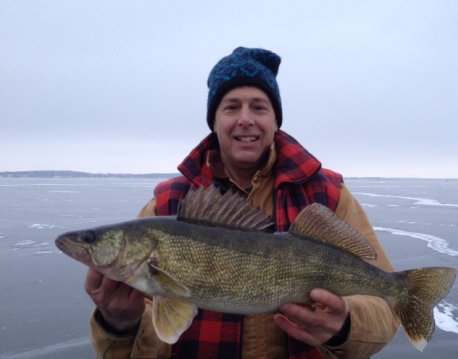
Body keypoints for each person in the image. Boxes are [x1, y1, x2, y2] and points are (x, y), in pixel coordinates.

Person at [85, 47, 400, 359]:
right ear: (215, 121)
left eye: (259, 108)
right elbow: (147, 345)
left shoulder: (329, 195)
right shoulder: (167, 205)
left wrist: (345, 324)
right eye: (231, 107)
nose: (245, 119)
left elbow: (387, 310)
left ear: (276, 121)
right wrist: (118, 324)